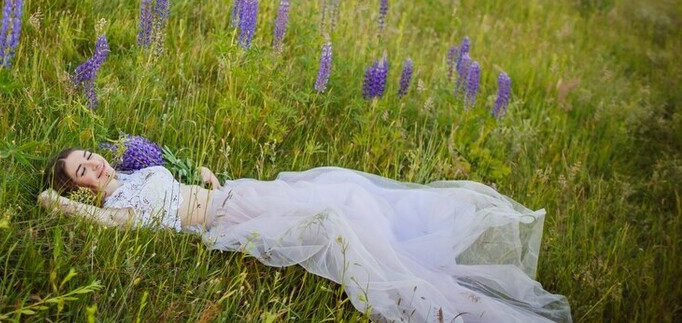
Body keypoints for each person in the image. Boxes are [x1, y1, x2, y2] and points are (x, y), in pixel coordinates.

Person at [38, 148, 572, 323]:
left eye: (91, 156)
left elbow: (172, 187)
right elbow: (110, 221)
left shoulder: (133, 173)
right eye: (83, 172)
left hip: (236, 195)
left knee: (343, 195)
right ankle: (431, 302)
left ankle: (416, 255)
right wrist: (56, 204)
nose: (96, 166)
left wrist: (206, 179)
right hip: (227, 224)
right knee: (334, 230)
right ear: (83, 192)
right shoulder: (117, 207)